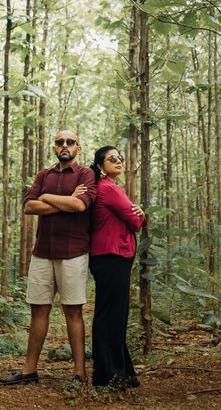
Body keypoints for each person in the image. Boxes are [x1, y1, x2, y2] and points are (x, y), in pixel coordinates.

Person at [0, 130, 96, 385]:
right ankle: (29, 371)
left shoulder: (86, 174)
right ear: (54, 148)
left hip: (73, 252)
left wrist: (48, 198)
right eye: (60, 142)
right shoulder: (44, 174)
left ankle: (79, 373)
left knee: (73, 310)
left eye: (70, 142)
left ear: (78, 147)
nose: (65, 145)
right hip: (42, 252)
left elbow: (80, 206)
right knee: (38, 309)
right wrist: (65, 200)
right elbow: (29, 206)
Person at [88, 145, 146, 389]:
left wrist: (138, 213)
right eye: (112, 159)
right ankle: (108, 375)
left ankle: (121, 371)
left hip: (111, 256)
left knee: (113, 313)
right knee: (111, 315)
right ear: (101, 166)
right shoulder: (109, 188)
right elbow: (134, 221)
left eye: (120, 157)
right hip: (111, 256)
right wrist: (140, 215)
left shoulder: (109, 188)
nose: (118, 161)